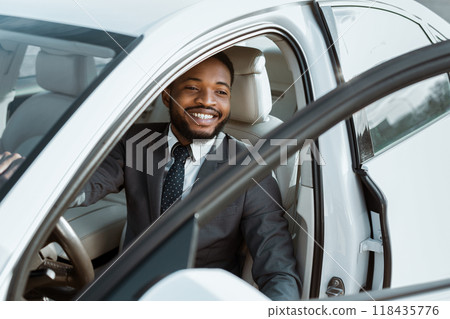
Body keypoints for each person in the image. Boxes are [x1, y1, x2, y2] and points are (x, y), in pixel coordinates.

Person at [4, 52, 302, 300]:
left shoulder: (251, 167)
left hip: (196, 297)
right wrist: (35, 177)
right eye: (192, 88)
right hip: (126, 281)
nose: (207, 101)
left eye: (221, 92)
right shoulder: (136, 141)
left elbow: (277, 268)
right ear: (166, 95)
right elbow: (86, 182)